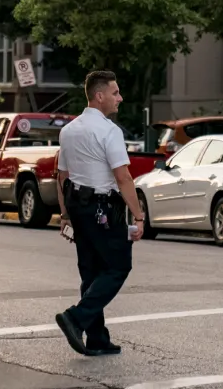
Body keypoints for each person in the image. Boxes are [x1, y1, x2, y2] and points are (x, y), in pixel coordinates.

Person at [53, 70, 144, 357]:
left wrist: (65, 215)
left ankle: (97, 337)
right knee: (118, 266)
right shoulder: (109, 131)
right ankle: (76, 318)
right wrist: (138, 216)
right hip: (103, 208)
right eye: (115, 93)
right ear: (99, 95)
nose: (120, 98)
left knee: (91, 272)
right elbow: (123, 177)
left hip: (78, 208)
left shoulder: (68, 130)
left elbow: (62, 176)